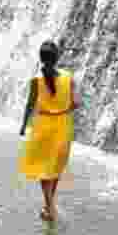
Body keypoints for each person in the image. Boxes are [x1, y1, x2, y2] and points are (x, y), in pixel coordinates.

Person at [18, 41, 81, 222]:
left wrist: (23, 126)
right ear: (57, 58)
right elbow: (76, 103)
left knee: (44, 169)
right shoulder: (68, 77)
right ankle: (49, 205)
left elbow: (30, 105)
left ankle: (49, 206)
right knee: (56, 167)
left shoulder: (36, 80)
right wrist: (65, 107)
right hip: (63, 125)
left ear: (41, 59)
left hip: (43, 125)